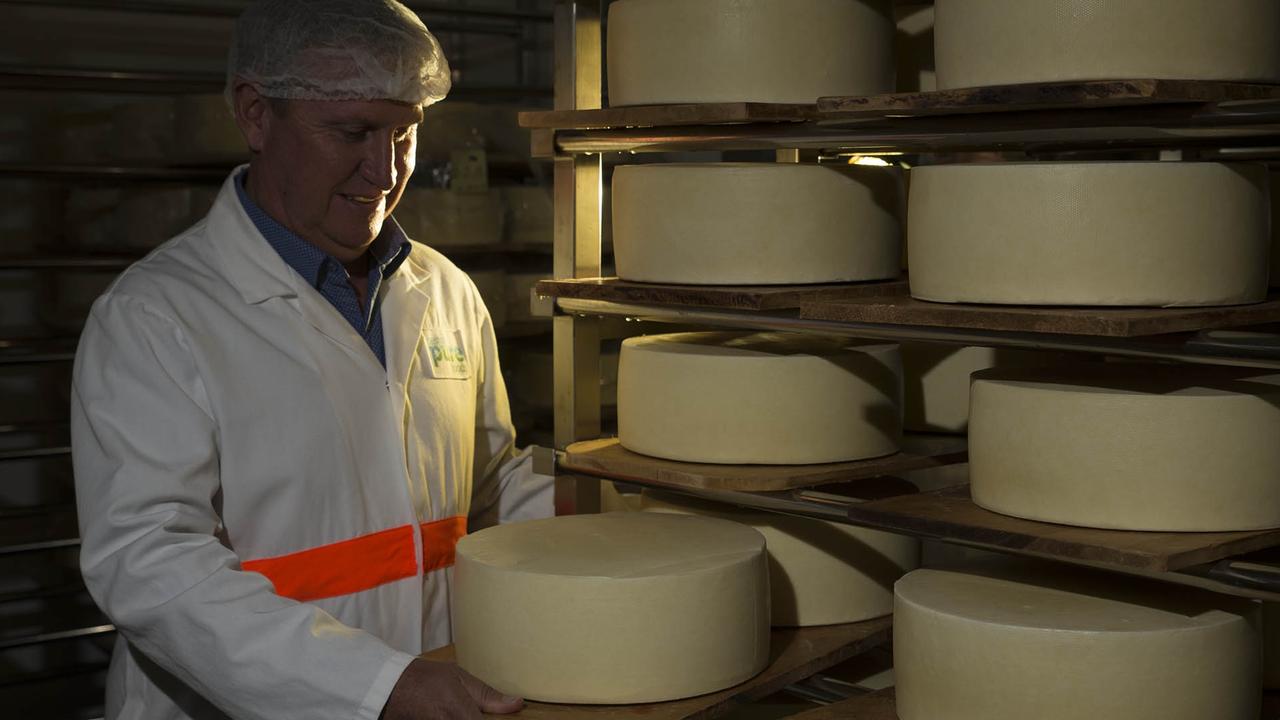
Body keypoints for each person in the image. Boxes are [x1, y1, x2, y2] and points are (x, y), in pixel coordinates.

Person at [70, 1, 551, 718]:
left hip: (442, 684)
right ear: (257, 114)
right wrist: (380, 688)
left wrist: (628, 507)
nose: (385, 170)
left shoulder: (445, 292)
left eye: (405, 132)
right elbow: (152, 568)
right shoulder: (156, 319)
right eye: (353, 131)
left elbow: (485, 490)